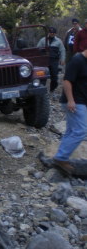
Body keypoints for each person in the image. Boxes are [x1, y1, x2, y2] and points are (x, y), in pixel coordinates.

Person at [52, 47, 87, 175]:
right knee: (81, 131)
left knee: (71, 130)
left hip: (81, 101)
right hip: (74, 102)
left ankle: (61, 156)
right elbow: (67, 81)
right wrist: (71, 100)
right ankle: (61, 157)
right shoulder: (77, 60)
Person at [37, 27, 65, 93]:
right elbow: (37, 49)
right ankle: (41, 91)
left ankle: (52, 90)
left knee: (54, 77)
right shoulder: (43, 40)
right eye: (50, 32)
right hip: (44, 61)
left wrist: (62, 59)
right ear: (48, 33)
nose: (52, 34)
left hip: (54, 61)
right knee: (42, 76)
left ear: (55, 33)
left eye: (53, 33)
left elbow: (62, 50)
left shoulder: (58, 41)